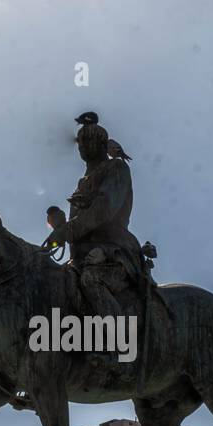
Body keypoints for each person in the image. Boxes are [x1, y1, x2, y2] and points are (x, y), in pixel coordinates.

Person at [47, 122, 146, 322]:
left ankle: (116, 339)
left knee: (91, 280)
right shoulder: (81, 184)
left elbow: (103, 209)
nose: (82, 145)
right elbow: (74, 224)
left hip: (112, 250)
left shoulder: (116, 168)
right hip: (80, 256)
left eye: (88, 139)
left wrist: (65, 231)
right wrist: (57, 236)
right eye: (80, 142)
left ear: (102, 144)